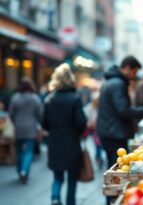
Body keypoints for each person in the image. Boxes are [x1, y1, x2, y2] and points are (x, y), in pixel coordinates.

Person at [96, 57, 143, 204]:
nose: (135, 75)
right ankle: (113, 200)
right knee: (117, 169)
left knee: (113, 167)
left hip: (108, 130)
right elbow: (123, 110)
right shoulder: (118, 84)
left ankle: (112, 199)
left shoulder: (111, 81)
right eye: (135, 71)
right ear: (128, 68)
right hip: (114, 132)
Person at [42, 63, 87, 205]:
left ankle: (55, 198)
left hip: (55, 142)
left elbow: (44, 123)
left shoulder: (49, 99)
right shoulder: (75, 98)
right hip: (72, 143)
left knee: (57, 177)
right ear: (70, 79)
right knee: (72, 179)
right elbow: (81, 122)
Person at [8, 77, 43, 184]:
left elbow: (11, 113)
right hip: (31, 127)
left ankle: (20, 170)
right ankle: (24, 170)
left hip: (18, 126)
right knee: (28, 151)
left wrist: (15, 122)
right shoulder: (35, 98)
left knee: (19, 150)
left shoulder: (15, 98)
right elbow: (40, 113)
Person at [83, 92, 104, 168]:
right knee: (97, 145)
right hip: (94, 130)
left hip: (100, 129)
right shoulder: (89, 108)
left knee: (99, 145)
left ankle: (99, 158)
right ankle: (98, 158)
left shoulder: (101, 107)